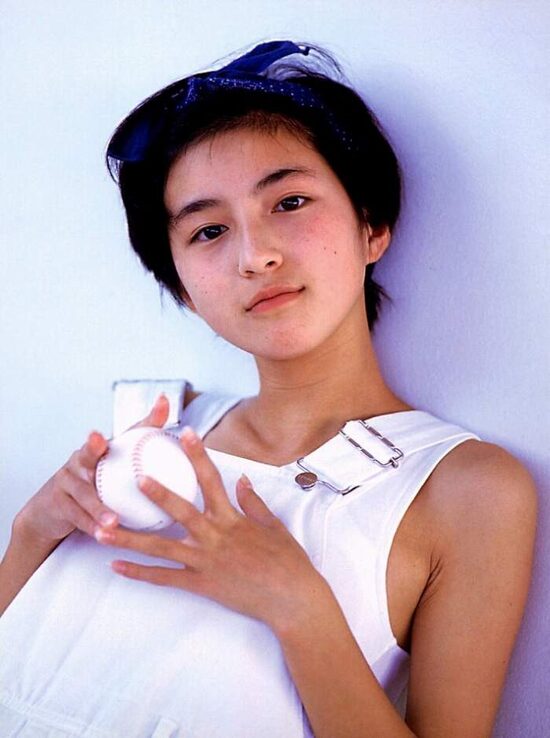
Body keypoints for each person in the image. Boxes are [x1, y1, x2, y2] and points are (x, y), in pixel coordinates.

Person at [0, 40, 537, 738]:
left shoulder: (469, 492)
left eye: (289, 201)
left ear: (371, 226)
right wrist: (30, 533)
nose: (256, 256)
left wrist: (299, 609)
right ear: (183, 288)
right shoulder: (143, 435)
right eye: (209, 231)